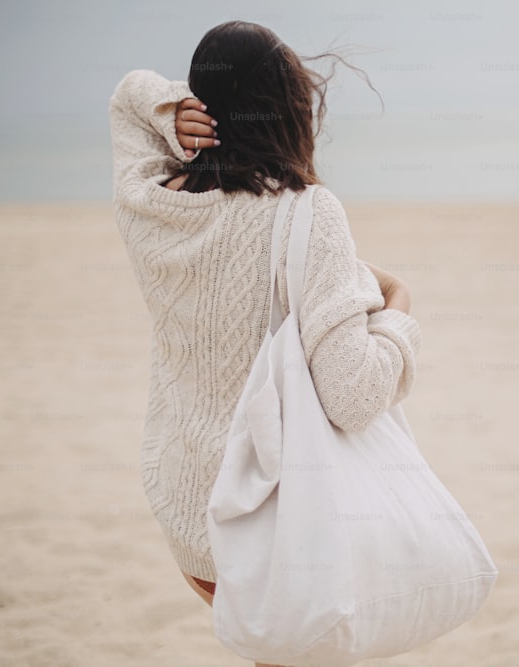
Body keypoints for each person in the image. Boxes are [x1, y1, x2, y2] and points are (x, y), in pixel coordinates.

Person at [108, 20, 422, 666]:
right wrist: (398, 313)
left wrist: (172, 117)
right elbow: (355, 394)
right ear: (289, 109)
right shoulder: (308, 209)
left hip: (192, 527)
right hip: (275, 535)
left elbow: (126, 101)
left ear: (202, 109)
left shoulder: (145, 204)